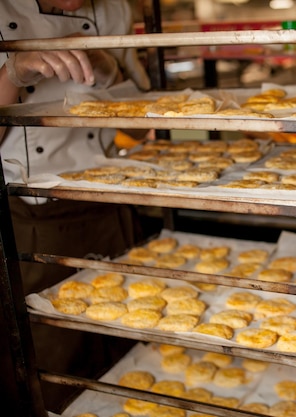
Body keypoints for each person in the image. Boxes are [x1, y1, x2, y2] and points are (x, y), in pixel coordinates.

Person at [0, 0, 151, 411]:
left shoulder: (115, 9)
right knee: (54, 365)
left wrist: (109, 71)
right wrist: (13, 72)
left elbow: (141, 125)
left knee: (124, 354)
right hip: (34, 221)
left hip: (111, 205)